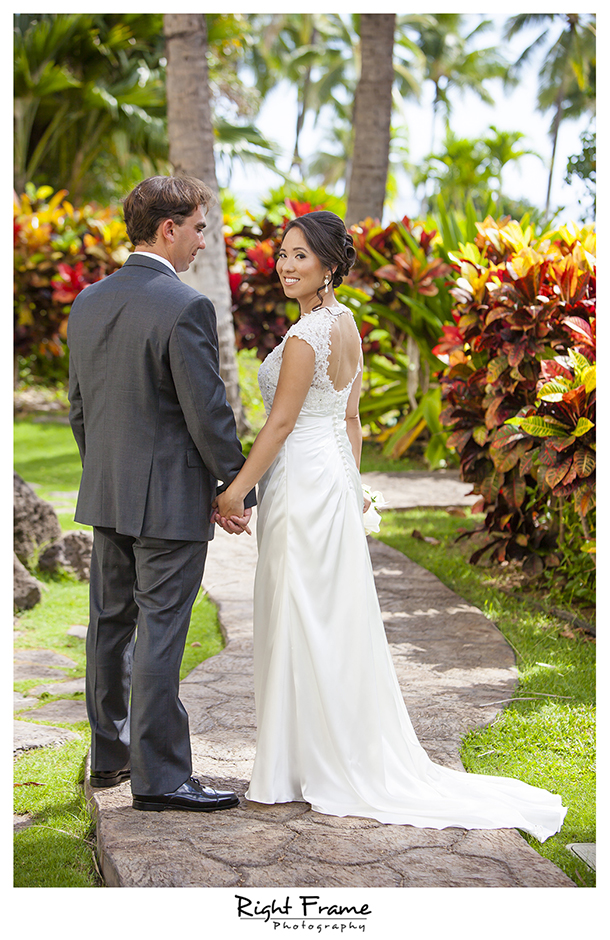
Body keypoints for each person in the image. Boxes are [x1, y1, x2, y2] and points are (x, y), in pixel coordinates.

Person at [213, 210, 567, 841]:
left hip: (301, 479)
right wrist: (349, 488)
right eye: (283, 254)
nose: (286, 265)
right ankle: (308, 760)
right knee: (326, 619)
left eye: (299, 255)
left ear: (327, 263)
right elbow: (349, 422)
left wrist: (236, 491)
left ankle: (287, 774)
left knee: (299, 615)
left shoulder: (303, 340)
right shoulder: (346, 325)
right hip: (330, 481)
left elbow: (282, 424)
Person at [68, 175, 255, 813]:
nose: (205, 240)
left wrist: (107, 477)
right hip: (169, 505)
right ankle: (162, 778)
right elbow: (207, 413)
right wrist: (234, 487)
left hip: (108, 495)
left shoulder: (87, 302)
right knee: (162, 635)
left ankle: (109, 759)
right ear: (168, 228)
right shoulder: (185, 306)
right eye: (200, 227)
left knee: (110, 627)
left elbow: (79, 412)